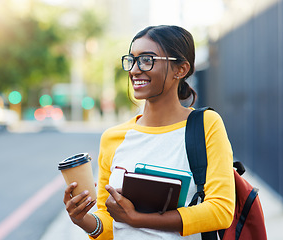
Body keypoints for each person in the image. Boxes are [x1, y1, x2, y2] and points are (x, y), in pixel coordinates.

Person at [63, 25, 235, 240]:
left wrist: (138, 219)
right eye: (132, 60)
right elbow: (109, 225)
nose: (134, 70)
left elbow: (221, 210)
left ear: (180, 69)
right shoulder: (113, 137)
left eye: (147, 60)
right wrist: (83, 220)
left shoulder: (206, 125)